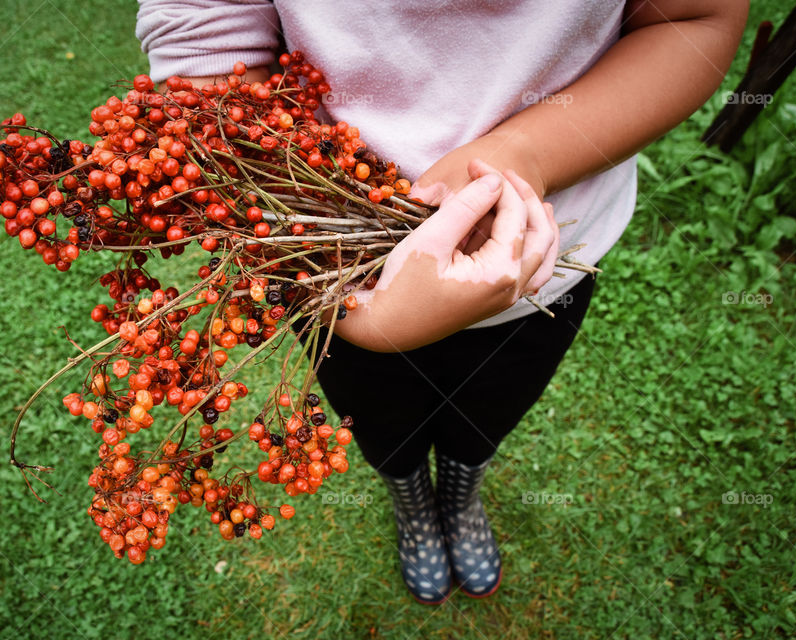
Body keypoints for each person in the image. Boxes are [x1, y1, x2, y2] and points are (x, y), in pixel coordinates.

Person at [136, 0, 749, 604]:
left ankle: (460, 493)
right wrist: (357, 310)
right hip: (331, 270)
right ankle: (411, 500)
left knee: (491, 409)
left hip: (543, 267)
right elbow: (206, 40)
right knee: (377, 421)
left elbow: (694, 17)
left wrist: (527, 157)